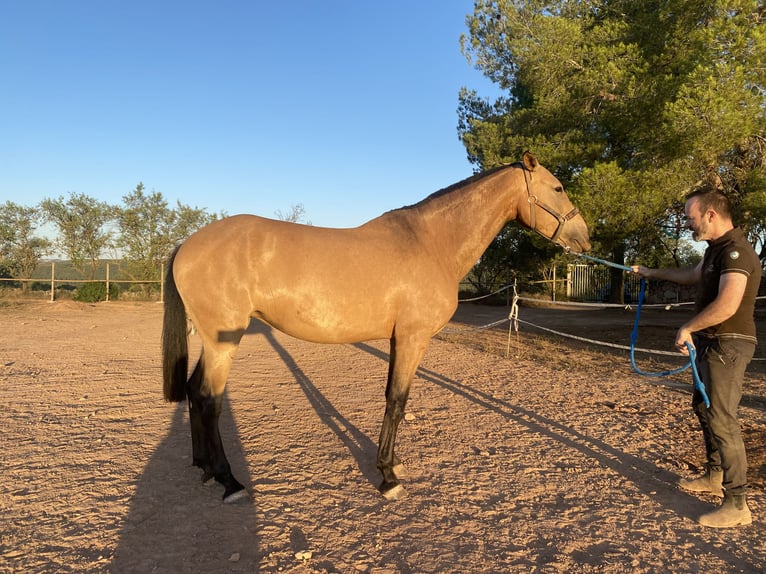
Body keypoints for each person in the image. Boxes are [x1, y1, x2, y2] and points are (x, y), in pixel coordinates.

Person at [632, 188, 760, 528]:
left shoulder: (737, 253)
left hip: (728, 343)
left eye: (691, 217)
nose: (689, 224)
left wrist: (689, 326)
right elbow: (691, 275)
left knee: (722, 417)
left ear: (711, 215)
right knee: (705, 408)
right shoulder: (716, 251)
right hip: (711, 342)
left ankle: (737, 504)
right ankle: (715, 476)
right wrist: (650, 272)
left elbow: (729, 304)